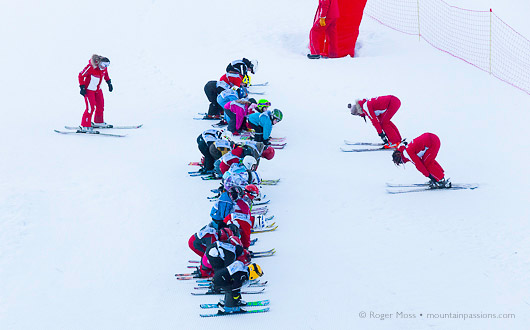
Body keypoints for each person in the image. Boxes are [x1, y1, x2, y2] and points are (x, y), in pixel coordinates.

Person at [78, 54, 113, 132]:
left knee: (100, 106)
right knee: (90, 108)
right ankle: (85, 125)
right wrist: (82, 87)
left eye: (107, 65)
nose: (105, 67)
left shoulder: (104, 69)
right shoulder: (90, 67)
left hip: (98, 90)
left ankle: (98, 121)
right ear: (99, 63)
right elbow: (81, 75)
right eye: (104, 65)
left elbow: (106, 75)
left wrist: (109, 83)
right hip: (89, 90)